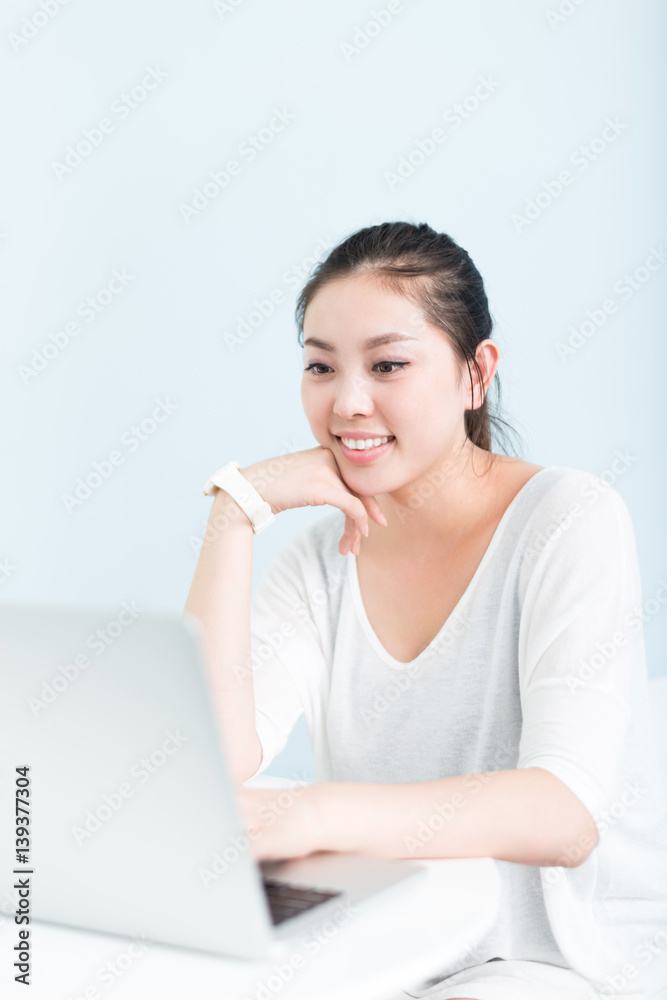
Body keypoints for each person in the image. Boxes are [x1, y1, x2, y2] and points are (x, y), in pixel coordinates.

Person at [183, 221, 667, 1000]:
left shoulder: (568, 519)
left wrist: (313, 813)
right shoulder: (316, 563)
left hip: (552, 956)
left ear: (476, 374)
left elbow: (563, 813)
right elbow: (206, 758)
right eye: (319, 364)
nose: (346, 402)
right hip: (381, 946)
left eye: (388, 364)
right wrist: (234, 510)